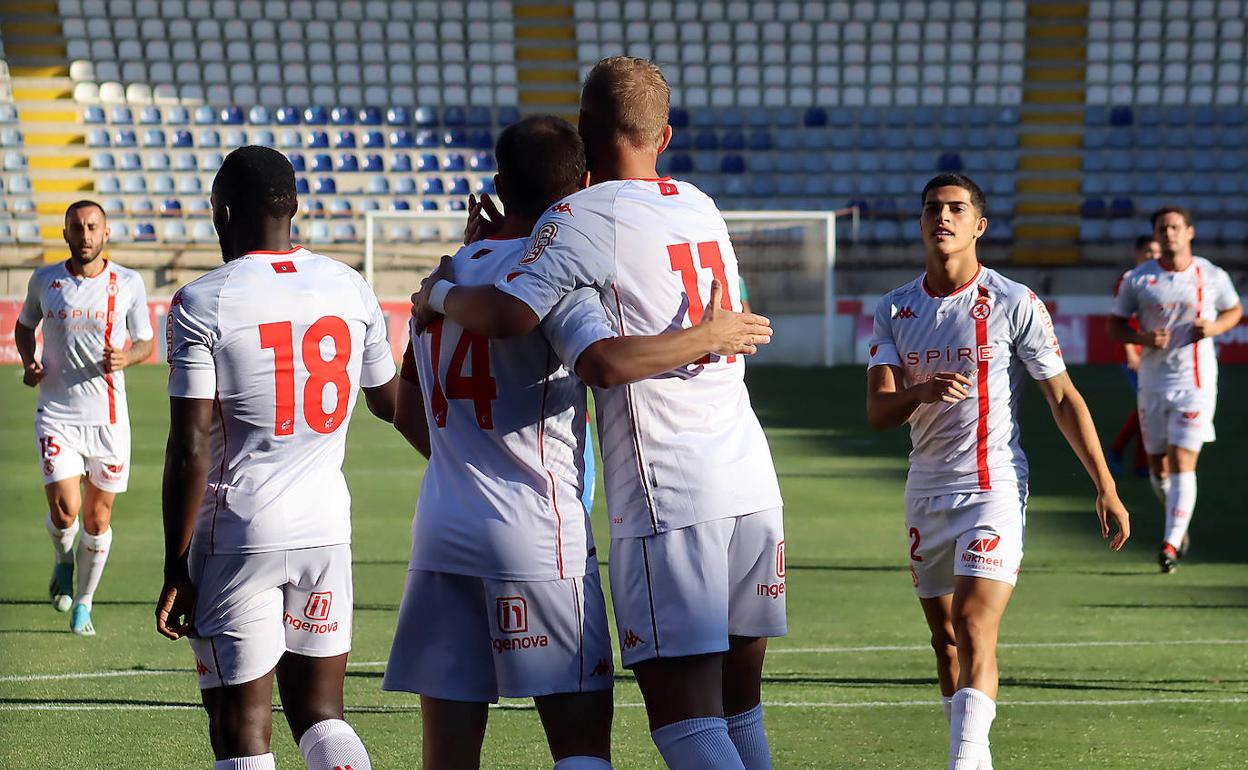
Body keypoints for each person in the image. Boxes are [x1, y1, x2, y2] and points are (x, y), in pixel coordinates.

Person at [412, 57, 786, 770]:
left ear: (587, 134)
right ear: (664, 134)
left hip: (672, 492)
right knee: (739, 714)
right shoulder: (700, 204)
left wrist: (441, 289)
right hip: (751, 483)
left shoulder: (579, 216)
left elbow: (518, 319)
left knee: (686, 722)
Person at [866, 173, 1130, 770]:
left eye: (957, 209)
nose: (943, 217)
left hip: (994, 486)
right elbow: (878, 411)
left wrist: (1106, 486)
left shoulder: (1013, 302)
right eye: (933, 208)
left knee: (973, 621)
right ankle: (963, 746)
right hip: (926, 489)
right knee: (946, 641)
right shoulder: (895, 308)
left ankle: (968, 761)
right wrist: (923, 391)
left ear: (978, 226)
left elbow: (1061, 396)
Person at [155, 146, 398, 770]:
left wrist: (174, 563)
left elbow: (189, 446)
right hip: (326, 527)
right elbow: (391, 400)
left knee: (242, 727)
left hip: (238, 527)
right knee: (321, 714)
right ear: (290, 209)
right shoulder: (349, 285)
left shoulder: (201, 301)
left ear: (224, 212)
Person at [15, 200, 153, 635]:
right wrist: (29, 360)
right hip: (56, 412)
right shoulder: (45, 280)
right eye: (78, 227)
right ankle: (63, 559)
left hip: (109, 420)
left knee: (97, 519)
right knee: (65, 509)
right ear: (66, 234)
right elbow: (23, 326)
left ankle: (85, 602)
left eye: (93, 227)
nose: (86, 234)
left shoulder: (128, 283)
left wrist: (126, 357)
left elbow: (146, 342)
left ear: (106, 233)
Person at [1109, 206, 1242, 573]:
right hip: (1152, 383)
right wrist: (1141, 338)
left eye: (1174, 227)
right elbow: (1114, 327)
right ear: (1156, 234)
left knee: (1183, 460)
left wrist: (1214, 329)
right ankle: (1178, 526)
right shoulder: (1139, 278)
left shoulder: (1211, 274)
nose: (1168, 233)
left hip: (1195, 383)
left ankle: (1170, 542)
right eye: (1162, 228)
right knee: (1158, 468)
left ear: (1189, 232)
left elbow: (1233, 310)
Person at [1106, 235, 1160, 478]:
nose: (1153, 256)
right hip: (1134, 351)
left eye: (1156, 252)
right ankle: (1118, 450)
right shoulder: (1130, 278)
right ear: (1138, 252)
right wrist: (1131, 352)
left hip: (1151, 353)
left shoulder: (1157, 279)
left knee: (1146, 407)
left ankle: (1141, 463)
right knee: (1145, 406)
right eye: (1148, 251)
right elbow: (1123, 318)